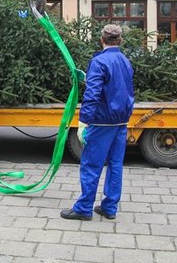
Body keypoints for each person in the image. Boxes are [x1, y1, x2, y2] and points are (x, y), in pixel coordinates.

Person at [60, 24, 134, 221]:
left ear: (102, 39)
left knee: (91, 165)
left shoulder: (99, 61)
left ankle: (84, 208)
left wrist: (83, 121)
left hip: (102, 121)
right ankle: (110, 207)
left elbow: (93, 94)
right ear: (120, 40)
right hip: (121, 121)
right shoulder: (125, 61)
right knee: (115, 165)